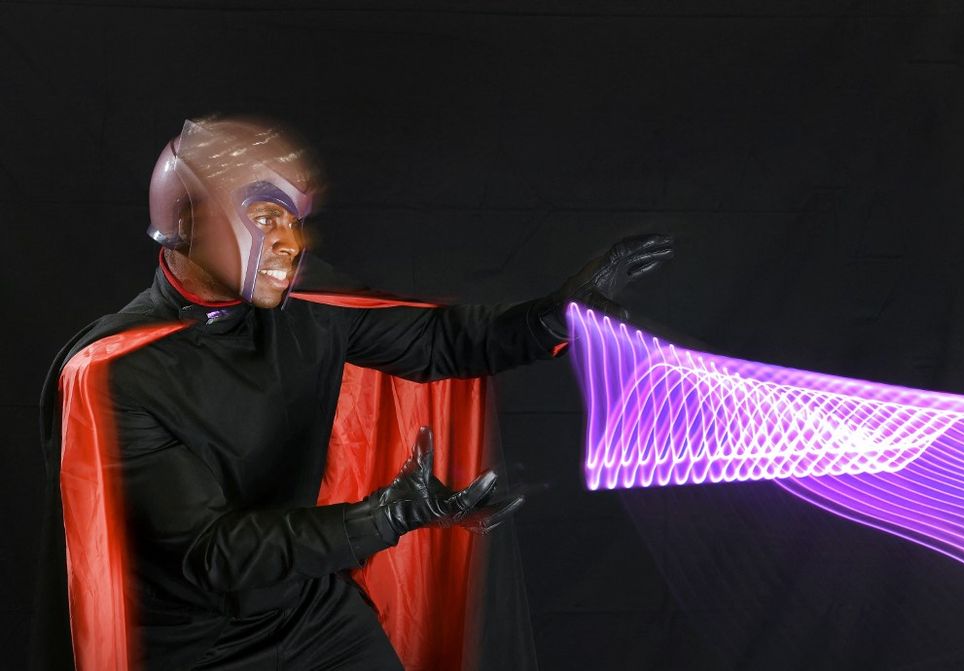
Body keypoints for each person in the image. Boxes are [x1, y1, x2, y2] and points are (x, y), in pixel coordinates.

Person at [35, 117, 673, 670]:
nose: (292, 240)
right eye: (265, 215)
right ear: (188, 221)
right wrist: (385, 518)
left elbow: (437, 341)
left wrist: (555, 317)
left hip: (309, 610)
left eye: (296, 218)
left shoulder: (308, 312)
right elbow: (214, 554)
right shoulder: (119, 371)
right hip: (195, 642)